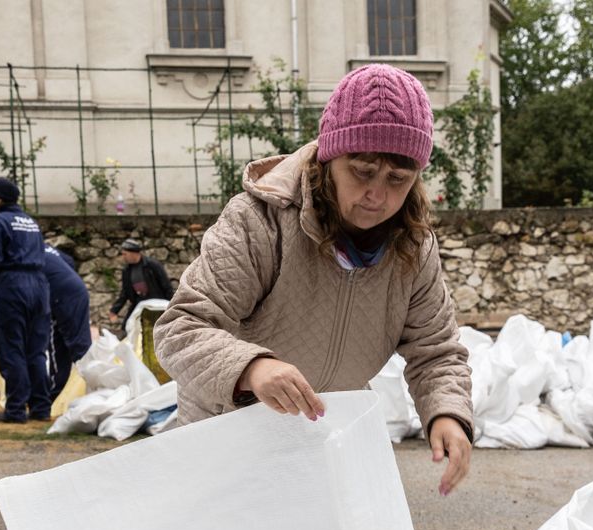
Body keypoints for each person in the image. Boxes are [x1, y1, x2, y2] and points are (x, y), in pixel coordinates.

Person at [155, 63, 473, 497]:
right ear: (330, 157)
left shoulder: (413, 249)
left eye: (398, 179)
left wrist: (447, 413)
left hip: (322, 437)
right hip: (225, 432)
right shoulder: (260, 221)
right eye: (362, 170)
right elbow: (180, 329)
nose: (377, 195)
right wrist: (252, 368)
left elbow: (435, 352)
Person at [0, 177, 52, 423]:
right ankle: (41, 408)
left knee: (11, 347)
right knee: (36, 350)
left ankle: (16, 409)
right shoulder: (30, 222)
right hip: (39, 286)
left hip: (12, 286)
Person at [41, 242, 93, 395]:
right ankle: (91, 387)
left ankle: (57, 392)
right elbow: (69, 265)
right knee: (80, 345)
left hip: (60, 297)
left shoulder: (24, 251)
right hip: (78, 292)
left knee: (58, 345)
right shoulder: (47, 249)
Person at [108, 239, 173, 325]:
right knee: (127, 327)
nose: (123, 257)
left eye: (125, 254)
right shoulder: (127, 271)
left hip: (157, 304)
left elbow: (166, 286)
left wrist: (172, 308)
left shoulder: (152, 266)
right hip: (139, 304)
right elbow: (125, 293)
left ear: (134, 253)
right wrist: (114, 311)